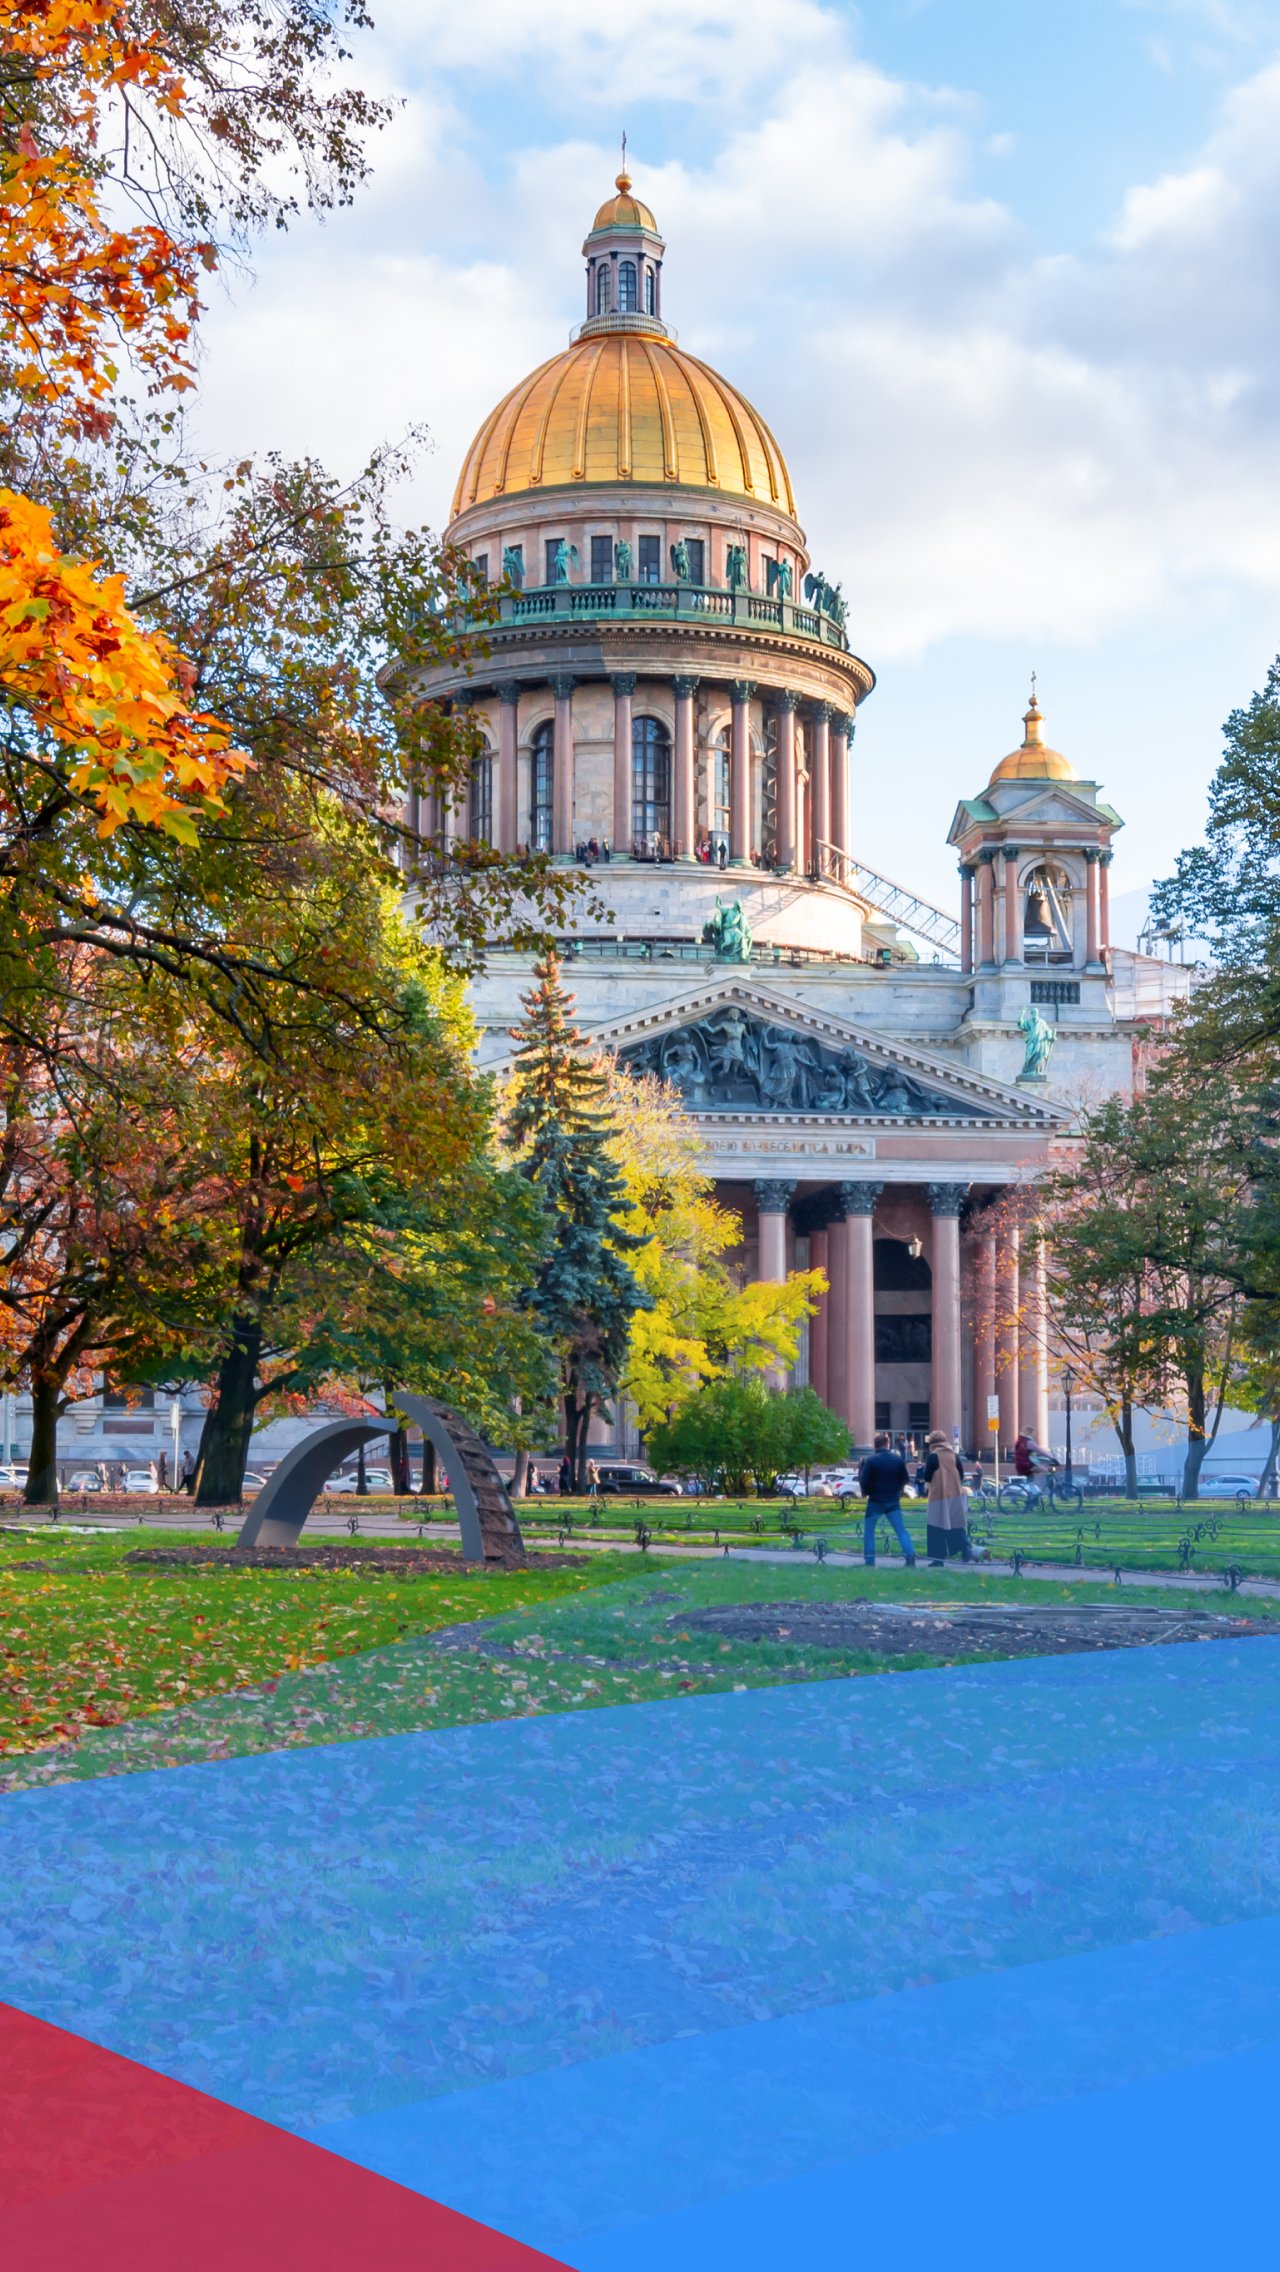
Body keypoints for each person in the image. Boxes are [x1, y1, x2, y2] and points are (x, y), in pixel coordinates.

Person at [857, 1434, 917, 1567]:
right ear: (888, 1445)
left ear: (875, 1446)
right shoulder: (898, 1459)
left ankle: (869, 1560)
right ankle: (910, 1556)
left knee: (869, 1531)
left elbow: (865, 1481)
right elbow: (905, 1479)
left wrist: (867, 1492)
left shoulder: (871, 1461)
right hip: (893, 1500)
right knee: (901, 1530)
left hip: (875, 1500)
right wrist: (898, 1490)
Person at [922, 1430, 972, 1565]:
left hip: (938, 1497)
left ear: (932, 1443)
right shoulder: (954, 1456)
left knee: (935, 1527)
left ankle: (938, 1559)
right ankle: (964, 1546)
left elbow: (927, 1476)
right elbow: (961, 1475)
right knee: (955, 1524)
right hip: (955, 1495)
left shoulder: (933, 1456)